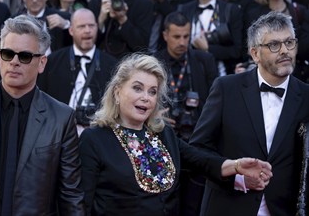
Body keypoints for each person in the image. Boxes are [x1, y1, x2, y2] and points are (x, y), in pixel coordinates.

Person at [79, 53, 273, 216]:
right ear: (117, 92)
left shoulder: (163, 134)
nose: (146, 97)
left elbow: (200, 160)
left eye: (152, 92)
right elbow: (82, 203)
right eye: (137, 88)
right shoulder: (94, 139)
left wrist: (237, 165)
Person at [189, 11, 309, 216]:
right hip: (227, 207)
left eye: (290, 42)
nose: (285, 51)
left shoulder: (306, 96)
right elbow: (197, 151)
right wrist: (235, 174)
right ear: (255, 54)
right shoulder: (226, 89)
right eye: (274, 45)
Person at [0, 14, 85, 215]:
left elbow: (71, 195)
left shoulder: (61, 118)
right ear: (0, 58)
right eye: (8, 54)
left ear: (42, 63)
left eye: (25, 56)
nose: (14, 62)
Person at [37, 8, 117, 135]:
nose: (87, 30)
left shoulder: (112, 64)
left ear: (97, 27)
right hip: (60, 132)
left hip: (100, 133)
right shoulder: (53, 62)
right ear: (71, 30)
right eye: (81, 26)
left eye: (91, 25)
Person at [155, 11, 217, 141]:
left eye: (186, 36)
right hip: (163, 131)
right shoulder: (153, 62)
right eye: (176, 37)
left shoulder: (205, 60)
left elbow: (215, 100)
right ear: (165, 36)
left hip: (198, 132)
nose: (182, 42)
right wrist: (153, 115)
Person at [178, 0, 243, 75]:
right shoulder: (183, 9)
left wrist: (208, 48)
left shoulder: (230, 10)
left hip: (221, 74)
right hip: (190, 73)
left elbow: (237, 51)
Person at [88, 0, 154, 58]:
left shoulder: (142, 3)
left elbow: (142, 46)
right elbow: (86, 42)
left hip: (129, 62)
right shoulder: (96, 2)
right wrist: (100, 21)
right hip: (100, 60)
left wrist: (123, 20)